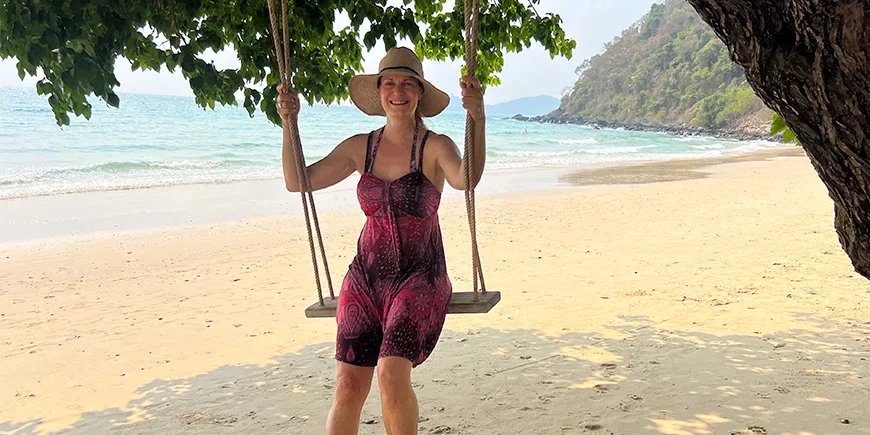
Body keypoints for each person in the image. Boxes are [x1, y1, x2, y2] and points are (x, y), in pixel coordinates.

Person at [276, 46, 486, 435]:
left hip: (419, 275)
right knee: (347, 385)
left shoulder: (436, 147)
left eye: (408, 83)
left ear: (420, 93)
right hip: (366, 278)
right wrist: (289, 123)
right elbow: (297, 181)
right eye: (389, 83)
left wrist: (478, 118)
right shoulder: (361, 147)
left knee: (390, 374)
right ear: (379, 91)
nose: (398, 91)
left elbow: (466, 179)